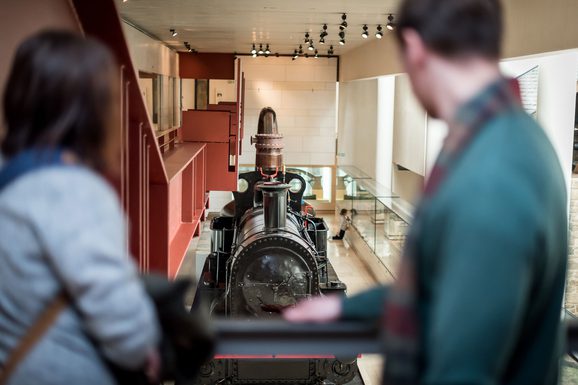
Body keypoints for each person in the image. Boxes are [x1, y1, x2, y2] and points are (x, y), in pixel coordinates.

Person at [285, 0, 568, 384]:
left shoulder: (490, 175)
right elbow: (447, 293)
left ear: (415, 48)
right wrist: (345, 311)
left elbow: (464, 371)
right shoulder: (518, 139)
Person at [0, 31, 160, 384]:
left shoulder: (9, 177)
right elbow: (122, 321)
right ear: (93, 109)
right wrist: (146, 347)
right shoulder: (72, 192)